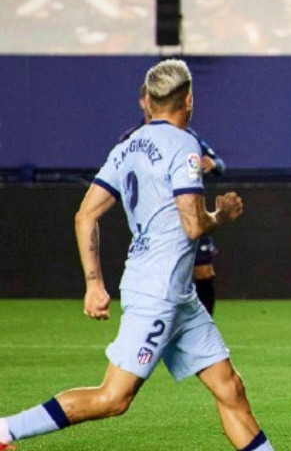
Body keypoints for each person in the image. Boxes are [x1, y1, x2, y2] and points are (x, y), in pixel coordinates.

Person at [0, 59, 275, 451]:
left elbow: (85, 215)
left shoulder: (128, 146)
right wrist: (222, 214)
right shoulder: (185, 145)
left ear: (148, 101)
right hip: (158, 293)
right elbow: (194, 226)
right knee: (113, 397)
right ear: (189, 101)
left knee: (229, 387)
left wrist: (94, 284)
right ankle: (6, 429)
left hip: (178, 296)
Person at [120, 82, 226, 316]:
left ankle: (204, 326)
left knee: (204, 272)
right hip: (155, 218)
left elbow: (219, 164)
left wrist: (212, 163)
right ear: (143, 103)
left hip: (188, 211)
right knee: (159, 277)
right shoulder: (131, 139)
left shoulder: (186, 135)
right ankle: (154, 326)